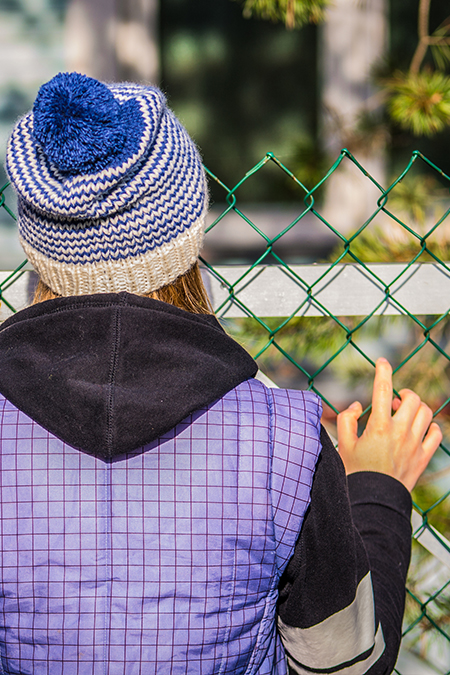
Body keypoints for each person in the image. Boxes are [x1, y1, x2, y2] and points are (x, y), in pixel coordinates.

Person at [0, 71, 442, 675]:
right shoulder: (282, 442)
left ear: (38, 246)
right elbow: (346, 664)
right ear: (189, 234)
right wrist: (376, 490)